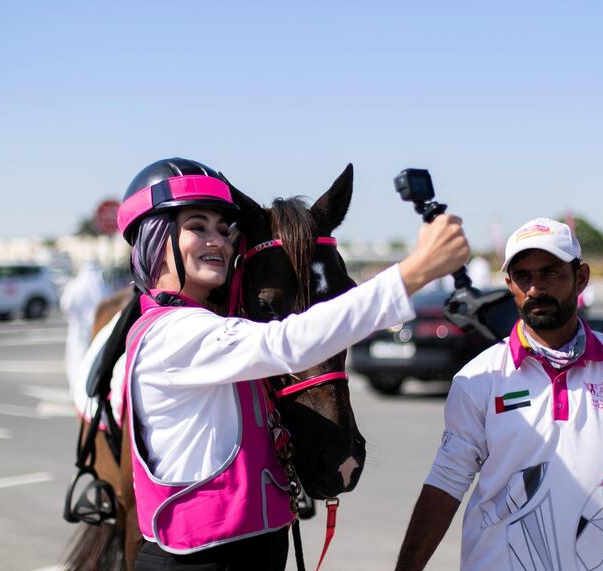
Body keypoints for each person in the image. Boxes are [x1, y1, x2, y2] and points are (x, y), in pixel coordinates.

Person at [115, 157, 470, 571]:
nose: (217, 241)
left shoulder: (219, 327)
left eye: (223, 229)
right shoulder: (170, 334)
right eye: (197, 226)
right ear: (156, 239)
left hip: (252, 554)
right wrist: (412, 273)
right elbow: (286, 341)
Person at [395, 217, 603, 571]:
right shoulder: (478, 378)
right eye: (523, 276)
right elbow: (445, 484)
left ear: (580, 277)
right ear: (509, 283)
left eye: (551, 272)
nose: (536, 288)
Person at [60, 259, 110, 391]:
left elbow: (66, 305)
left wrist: (74, 318)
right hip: (96, 328)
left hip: (79, 330)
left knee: (78, 357)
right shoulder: (101, 286)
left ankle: (78, 388)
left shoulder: (74, 286)